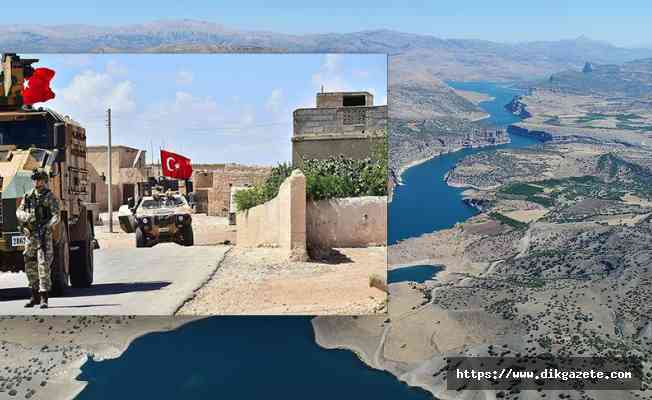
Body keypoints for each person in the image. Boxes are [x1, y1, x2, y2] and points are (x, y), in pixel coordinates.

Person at [15, 168, 60, 309]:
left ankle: (44, 298)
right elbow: (19, 211)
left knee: (43, 265)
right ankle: (33, 296)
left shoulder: (49, 197)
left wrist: (48, 226)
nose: (37, 182)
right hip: (31, 236)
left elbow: (56, 215)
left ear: (44, 181)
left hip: (43, 235)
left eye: (39, 179)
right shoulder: (28, 196)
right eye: (35, 179)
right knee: (30, 265)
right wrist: (27, 217)